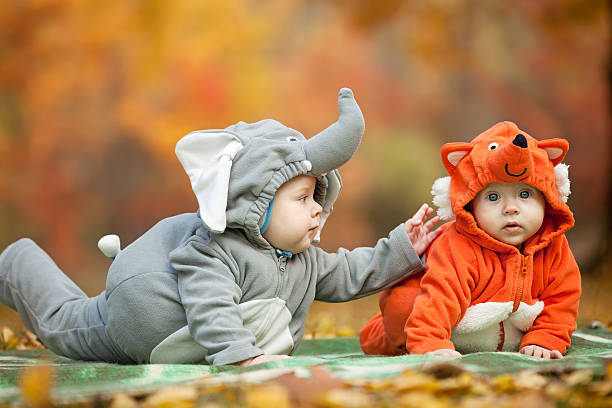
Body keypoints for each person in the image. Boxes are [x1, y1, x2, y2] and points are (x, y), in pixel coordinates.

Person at [0, 88, 441, 366]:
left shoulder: (302, 261)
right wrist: (240, 356)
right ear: (257, 204)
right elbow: (210, 302)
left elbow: (350, 272)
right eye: (302, 199)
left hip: (176, 344)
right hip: (138, 319)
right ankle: (15, 262)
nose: (316, 211)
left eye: (318, 198)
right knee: (63, 323)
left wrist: (405, 246)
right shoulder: (217, 249)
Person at [359, 121, 581, 360]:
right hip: (433, 318)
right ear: (471, 205)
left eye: (524, 194)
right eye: (493, 197)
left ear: (548, 200)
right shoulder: (457, 246)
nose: (511, 209)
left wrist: (547, 337)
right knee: (403, 306)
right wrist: (431, 343)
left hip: (503, 325)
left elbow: (562, 298)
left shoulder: (553, 246)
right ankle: (384, 336)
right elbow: (438, 298)